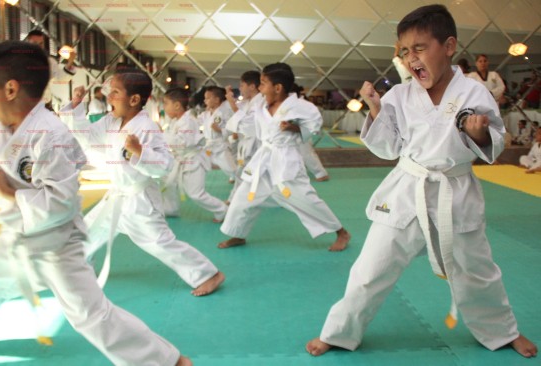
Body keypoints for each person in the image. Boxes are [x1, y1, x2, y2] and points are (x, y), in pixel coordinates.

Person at [306, 4, 537, 358]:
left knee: (477, 272)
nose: (411, 58)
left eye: (419, 48)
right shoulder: (400, 94)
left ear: (447, 46)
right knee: (370, 268)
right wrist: (376, 111)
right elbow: (388, 148)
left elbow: (494, 140)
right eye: (404, 51)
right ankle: (339, 332)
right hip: (407, 190)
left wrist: (479, 134)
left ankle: (501, 332)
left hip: (454, 191)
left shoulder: (474, 93)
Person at [0, 40, 191, 365]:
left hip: (56, 240)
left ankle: (169, 362)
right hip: (17, 234)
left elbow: (59, 203)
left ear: (12, 89)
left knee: (90, 316)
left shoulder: (51, 135)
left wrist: (12, 195)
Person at [60, 72, 224, 296]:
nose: (109, 97)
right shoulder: (112, 121)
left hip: (139, 200)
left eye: (115, 93)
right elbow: (86, 137)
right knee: (88, 231)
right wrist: (77, 109)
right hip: (118, 196)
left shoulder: (146, 127)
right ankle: (78, 271)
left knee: (160, 242)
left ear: (134, 99)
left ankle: (208, 274)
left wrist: (140, 152)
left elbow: (164, 165)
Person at [217, 62, 351, 252]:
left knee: (306, 199)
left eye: (263, 83)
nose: (260, 88)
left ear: (278, 88)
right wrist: (233, 127)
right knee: (243, 197)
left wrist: (294, 128)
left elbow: (314, 127)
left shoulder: (301, 107)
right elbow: (248, 124)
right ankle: (238, 234)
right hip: (263, 161)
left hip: (285, 160)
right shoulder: (260, 105)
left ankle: (341, 232)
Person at [161, 87, 228, 222]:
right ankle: (170, 208)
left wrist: (161, 136)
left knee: (196, 194)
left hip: (193, 161)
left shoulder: (188, 121)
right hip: (180, 159)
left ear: (177, 105)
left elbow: (182, 143)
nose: (164, 107)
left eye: (166, 104)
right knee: (167, 182)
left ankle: (222, 209)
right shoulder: (176, 121)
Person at [225, 70, 264, 202]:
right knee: (243, 174)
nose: (240, 89)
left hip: (255, 145)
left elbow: (247, 123)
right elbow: (238, 112)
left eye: (242, 85)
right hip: (246, 144)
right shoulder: (249, 102)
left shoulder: (260, 102)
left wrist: (231, 102)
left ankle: (233, 200)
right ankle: (234, 199)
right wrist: (231, 101)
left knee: (245, 174)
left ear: (252, 86)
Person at [25, 30, 77, 111]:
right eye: (35, 43)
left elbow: (60, 78)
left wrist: (70, 61)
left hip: (45, 105)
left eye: (41, 43)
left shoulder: (49, 62)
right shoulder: (18, 61)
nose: (38, 46)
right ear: (27, 43)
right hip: (24, 107)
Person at [199, 86, 237, 183]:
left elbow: (231, 128)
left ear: (216, 100)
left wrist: (220, 130)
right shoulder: (206, 114)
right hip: (209, 145)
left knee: (230, 168)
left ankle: (238, 179)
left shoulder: (224, 112)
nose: (205, 100)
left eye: (208, 98)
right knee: (198, 161)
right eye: (205, 98)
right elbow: (196, 122)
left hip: (220, 146)